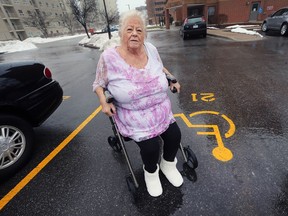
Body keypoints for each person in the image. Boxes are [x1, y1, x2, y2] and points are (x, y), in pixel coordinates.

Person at [93, 10, 183, 197]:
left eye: (139, 30)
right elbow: (98, 84)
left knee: (175, 136)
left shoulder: (151, 49)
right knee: (151, 148)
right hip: (134, 117)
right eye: (130, 29)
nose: (135, 33)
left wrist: (171, 79)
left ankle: (168, 165)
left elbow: (160, 67)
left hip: (161, 111)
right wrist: (103, 102)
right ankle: (151, 174)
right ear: (121, 33)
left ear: (145, 35)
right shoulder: (109, 58)